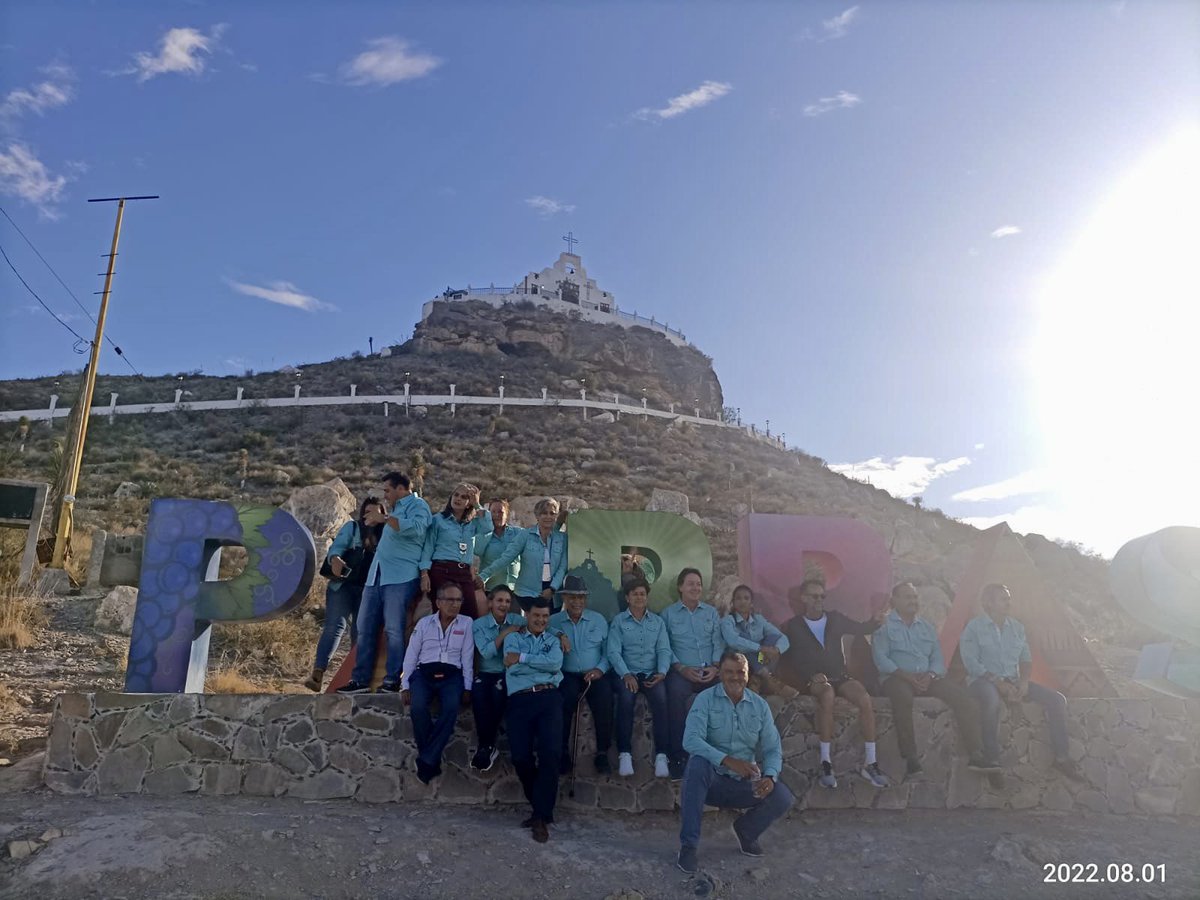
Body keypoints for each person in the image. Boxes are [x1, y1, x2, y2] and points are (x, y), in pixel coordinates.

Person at [676, 651, 796, 875]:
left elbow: (772, 748)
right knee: (697, 765)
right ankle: (688, 847)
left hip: (744, 783)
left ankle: (747, 832)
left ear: (748, 675)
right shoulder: (705, 700)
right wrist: (728, 761)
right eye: (729, 672)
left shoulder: (760, 706)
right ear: (720, 674)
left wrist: (770, 776)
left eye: (741, 672)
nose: (735, 677)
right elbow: (690, 740)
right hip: (711, 782)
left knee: (782, 796)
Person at [960, 583, 1084, 783]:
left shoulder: (1017, 627)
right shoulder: (974, 627)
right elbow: (970, 662)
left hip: (1014, 680)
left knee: (1057, 699)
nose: (1009, 602)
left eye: (1009, 598)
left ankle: (1062, 758)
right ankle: (992, 761)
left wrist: (1025, 682)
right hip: (982, 680)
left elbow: (1026, 659)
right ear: (989, 603)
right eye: (1003, 598)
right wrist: (997, 682)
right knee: (991, 701)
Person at [873, 582, 997, 778]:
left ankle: (976, 754)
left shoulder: (927, 627)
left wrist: (930, 675)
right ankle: (911, 759)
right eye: (907, 597)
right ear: (894, 601)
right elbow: (881, 659)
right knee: (902, 698)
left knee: (963, 698)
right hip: (897, 677)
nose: (913, 601)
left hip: (926, 677)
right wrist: (906, 676)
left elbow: (938, 659)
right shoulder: (884, 626)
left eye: (914, 597)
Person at [778, 577, 891, 788]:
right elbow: (784, 655)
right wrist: (809, 675)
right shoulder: (793, 626)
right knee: (827, 695)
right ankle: (826, 762)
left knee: (864, 698)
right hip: (814, 679)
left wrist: (875, 621)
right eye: (814, 596)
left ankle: (871, 762)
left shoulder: (835, 618)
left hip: (839, 675)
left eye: (822, 596)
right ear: (803, 598)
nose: (819, 599)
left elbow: (862, 628)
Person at [339, 472, 432, 694]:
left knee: (393, 629)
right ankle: (360, 680)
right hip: (376, 576)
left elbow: (419, 529)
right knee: (363, 627)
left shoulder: (418, 506)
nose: (385, 495)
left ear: (401, 489)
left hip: (400, 577)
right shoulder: (395, 510)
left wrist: (385, 519)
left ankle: (392, 680)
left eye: (388, 491)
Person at [304, 497, 383, 692]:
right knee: (334, 626)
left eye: (375, 512)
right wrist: (335, 558)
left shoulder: (386, 534)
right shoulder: (353, 528)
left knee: (360, 632)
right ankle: (318, 671)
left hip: (368, 590)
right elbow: (337, 547)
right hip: (343, 586)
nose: (370, 516)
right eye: (366, 512)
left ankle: (354, 678)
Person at [503, 597, 564, 843]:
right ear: (527, 615)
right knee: (520, 756)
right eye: (537, 616)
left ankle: (540, 817)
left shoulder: (552, 639)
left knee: (550, 753)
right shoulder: (513, 638)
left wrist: (524, 659)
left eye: (545, 617)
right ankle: (542, 807)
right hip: (520, 699)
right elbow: (511, 666)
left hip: (549, 697)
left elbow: (555, 664)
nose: (541, 620)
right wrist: (537, 665)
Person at [401, 584, 474, 784]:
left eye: (458, 600)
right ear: (438, 602)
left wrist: (467, 687)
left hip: (452, 675)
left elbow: (467, 657)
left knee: (451, 708)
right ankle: (430, 760)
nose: (455, 604)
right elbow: (411, 655)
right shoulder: (424, 624)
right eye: (450, 600)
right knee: (417, 708)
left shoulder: (466, 624)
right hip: (424, 674)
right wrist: (405, 684)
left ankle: (426, 760)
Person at [663, 567, 726, 780]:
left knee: (726, 697)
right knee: (675, 697)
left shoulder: (711, 613)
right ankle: (678, 757)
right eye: (690, 583)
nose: (695, 588)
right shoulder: (668, 614)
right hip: (682, 672)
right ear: (680, 587)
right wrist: (681, 668)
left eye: (698, 584)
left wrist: (715, 666)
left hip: (710, 670)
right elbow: (664, 647)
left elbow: (718, 641)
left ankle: (724, 756)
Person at [549, 575, 614, 775]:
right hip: (567, 674)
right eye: (572, 597)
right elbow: (538, 627)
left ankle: (602, 753)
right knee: (563, 702)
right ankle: (562, 754)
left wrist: (599, 670)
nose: (577, 602)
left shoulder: (598, 619)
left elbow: (608, 652)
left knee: (605, 700)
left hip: (594, 673)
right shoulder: (554, 621)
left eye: (581, 597)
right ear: (564, 599)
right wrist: (559, 634)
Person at [608, 577, 672, 778]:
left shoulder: (658, 622)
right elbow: (613, 652)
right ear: (627, 597)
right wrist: (626, 674)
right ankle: (624, 754)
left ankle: (662, 755)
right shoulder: (618, 621)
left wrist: (661, 673)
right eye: (634, 593)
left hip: (652, 675)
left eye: (642, 593)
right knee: (625, 701)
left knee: (661, 701)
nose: (639, 597)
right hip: (628, 674)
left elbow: (664, 649)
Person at [470, 585, 525, 772]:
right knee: (478, 693)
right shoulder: (478, 625)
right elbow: (486, 653)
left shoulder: (517, 620)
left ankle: (486, 746)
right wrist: (504, 633)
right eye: (500, 600)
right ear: (490, 603)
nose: (504, 605)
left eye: (508, 601)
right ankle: (486, 745)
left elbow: (537, 626)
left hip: (507, 672)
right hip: (486, 672)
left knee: (497, 692)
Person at [479, 497, 567, 613]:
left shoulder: (562, 539)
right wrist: (484, 575)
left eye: (552, 513)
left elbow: (562, 566)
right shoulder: (525, 535)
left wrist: (553, 588)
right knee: (530, 625)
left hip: (553, 594)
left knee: (550, 626)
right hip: (527, 592)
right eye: (544, 513)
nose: (548, 517)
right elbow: (506, 558)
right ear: (537, 515)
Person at [419, 483, 492, 619]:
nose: (458, 499)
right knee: (443, 614)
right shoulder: (438, 520)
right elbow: (428, 547)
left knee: (469, 614)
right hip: (442, 570)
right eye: (456, 495)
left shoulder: (473, 524)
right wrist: (424, 574)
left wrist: (477, 504)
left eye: (464, 497)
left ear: (469, 503)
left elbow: (488, 527)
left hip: (464, 573)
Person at [719, 584, 797, 699]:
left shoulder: (758, 619)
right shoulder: (727, 621)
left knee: (773, 638)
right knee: (744, 643)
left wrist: (775, 650)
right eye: (738, 598)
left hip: (761, 659)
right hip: (736, 661)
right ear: (733, 602)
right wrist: (760, 648)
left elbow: (783, 638)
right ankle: (767, 678)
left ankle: (756, 680)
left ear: (751, 603)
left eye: (746, 598)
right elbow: (733, 641)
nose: (742, 602)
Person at [477, 498, 524, 591]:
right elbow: (477, 550)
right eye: (493, 512)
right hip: (491, 589)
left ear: (507, 514)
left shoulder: (518, 533)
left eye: (501, 512)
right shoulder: (483, 534)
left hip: (515, 590)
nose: (497, 515)